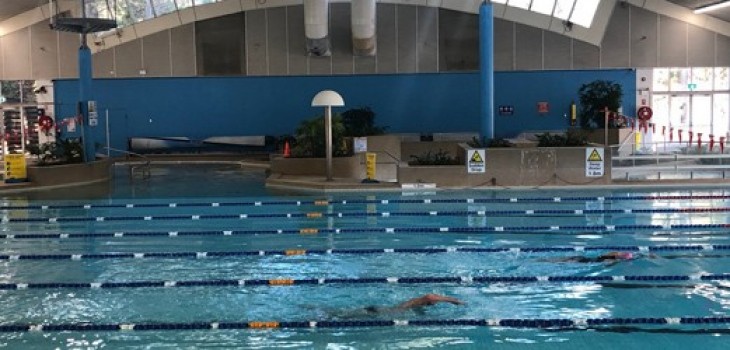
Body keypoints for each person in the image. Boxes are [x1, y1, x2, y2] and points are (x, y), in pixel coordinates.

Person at [328, 294, 465, 319]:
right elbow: (430, 297)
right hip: (375, 313)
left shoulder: (414, 306)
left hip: (377, 311)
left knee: (340, 315)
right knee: (338, 316)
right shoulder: (414, 303)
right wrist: (452, 300)